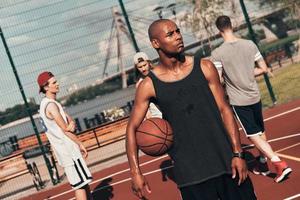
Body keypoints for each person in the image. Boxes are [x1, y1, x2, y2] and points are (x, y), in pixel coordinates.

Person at [126, 19, 256, 200]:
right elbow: (132, 128)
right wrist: (135, 172)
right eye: (170, 34)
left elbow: (225, 110)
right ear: (155, 43)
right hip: (191, 175)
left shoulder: (205, 67)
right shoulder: (149, 85)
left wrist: (237, 153)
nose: (178, 36)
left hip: (227, 163)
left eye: (178, 31)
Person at [210, 15, 292, 183]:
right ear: (231, 26)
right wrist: (247, 72)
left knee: (252, 135)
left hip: (239, 100)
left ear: (219, 31)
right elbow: (262, 68)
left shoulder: (218, 53)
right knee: (260, 132)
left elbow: (218, 80)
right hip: (255, 95)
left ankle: (278, 162)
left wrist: (229, 78)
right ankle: (262, 162)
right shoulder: (249, 44)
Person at [37, 72, 93, 200]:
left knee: (83, 183)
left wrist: (71, 122)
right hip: (69, 151)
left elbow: (66, 119)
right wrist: (80, 143)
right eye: (54, 82)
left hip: (64, 151)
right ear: (46, 87)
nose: (57, 84)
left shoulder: (47, 103)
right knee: (80, 186)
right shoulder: (51, 105)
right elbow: (65, 130)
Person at [133, 52, 162, 119]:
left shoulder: (159, 75)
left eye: (144, 65)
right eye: (140, 67)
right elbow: (141, 104)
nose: (143, 69)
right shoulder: (139, 84)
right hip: (156, 116)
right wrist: (148, 115)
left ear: (149, 63)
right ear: (136, 68)